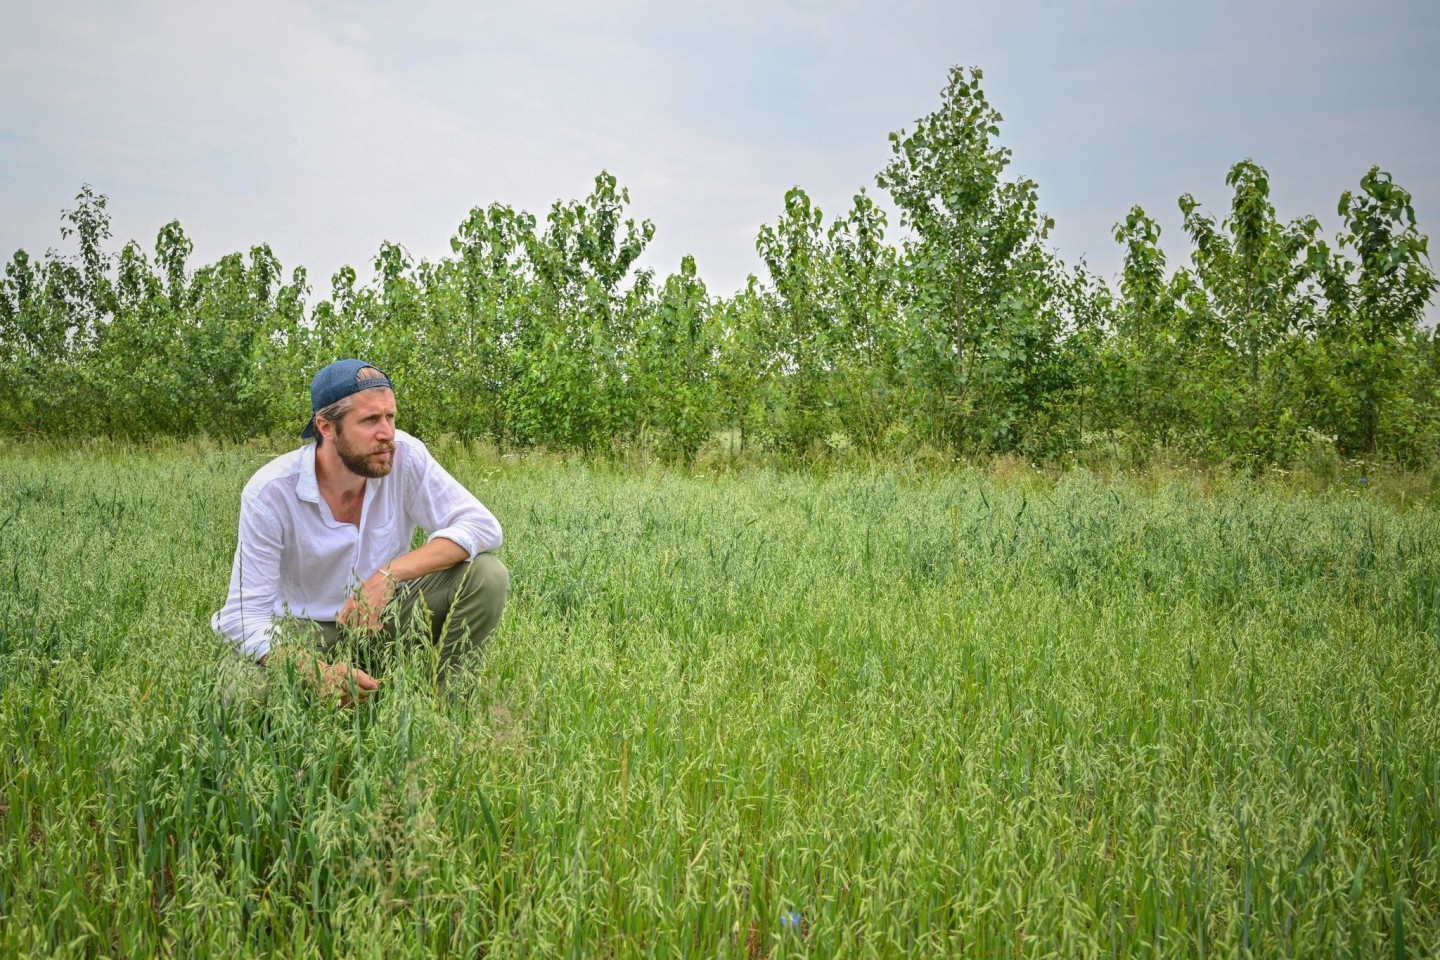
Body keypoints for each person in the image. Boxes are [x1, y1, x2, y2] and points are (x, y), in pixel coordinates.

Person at [212, 359, 508, 701]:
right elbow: (242, 618)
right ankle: (329, 697)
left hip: (384, 620)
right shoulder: (271, 492)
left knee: (486, 573)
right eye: (369, 420)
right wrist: (316, 673)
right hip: (299, 633)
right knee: (234, 697)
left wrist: (389, 573)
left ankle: (443, 709)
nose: (387, 434)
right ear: (326, 427)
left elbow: (482, 525)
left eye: (390, 417)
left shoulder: (404, 456)